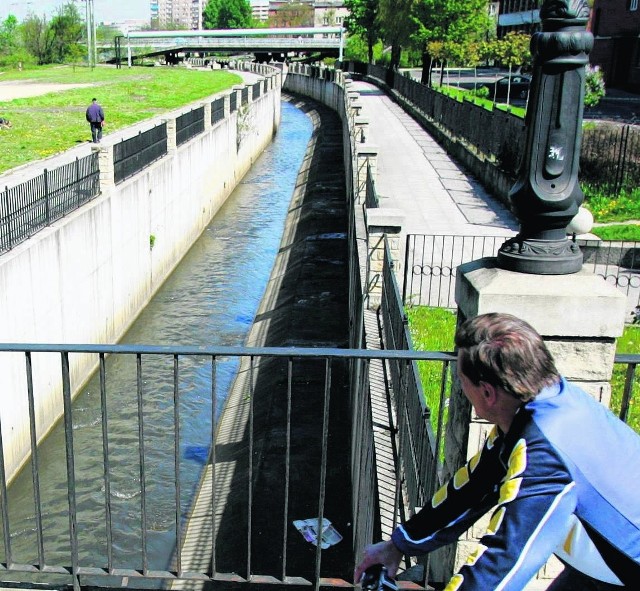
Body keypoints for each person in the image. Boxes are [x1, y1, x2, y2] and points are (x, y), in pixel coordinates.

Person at [355, 313, 640, 590]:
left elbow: (503, 561)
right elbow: (472, 488)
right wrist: (398, 544)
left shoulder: (545, 456)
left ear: (487, 393)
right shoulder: (541, 408)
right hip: (605, 569)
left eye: (461, 379)